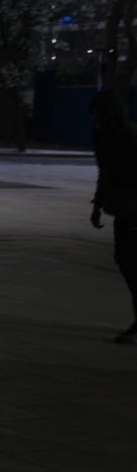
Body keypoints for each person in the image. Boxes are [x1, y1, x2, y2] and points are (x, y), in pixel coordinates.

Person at [90, 88, 137, 343]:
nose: (95, 119)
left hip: (134, 209)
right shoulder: (103, 136)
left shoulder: (129, 136)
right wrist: (97, 206)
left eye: (99, 114)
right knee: (124, 260)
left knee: (132, 264)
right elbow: (103, 173)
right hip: (123, 208)